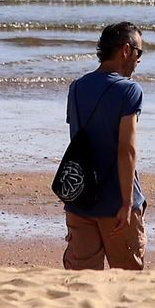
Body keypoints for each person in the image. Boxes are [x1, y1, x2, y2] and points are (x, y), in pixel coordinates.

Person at [62, 21, 146, 270]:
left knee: (82, 281)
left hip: (80, 199)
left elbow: (78, 139)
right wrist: (127, 202)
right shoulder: (129, 91)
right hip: (115, 203)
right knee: (127, 278)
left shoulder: (76, 87)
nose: (139, 60)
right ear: (125, 50)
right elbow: (126, 149)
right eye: (138, 52)